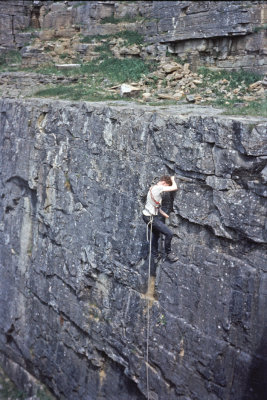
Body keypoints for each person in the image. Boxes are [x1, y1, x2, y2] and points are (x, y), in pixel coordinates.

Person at [142, 175, 178, 274]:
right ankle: (169, 253)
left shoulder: (153, 188)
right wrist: (173, 180)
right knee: (169, 234)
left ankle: (154, 254)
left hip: (147, 216)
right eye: (166, 186)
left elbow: (156, 206)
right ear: (164, 183)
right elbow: (174, 188)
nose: (166, 189)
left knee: (156, 234)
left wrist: (164, 214)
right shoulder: (158, 188)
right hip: (150, 218)